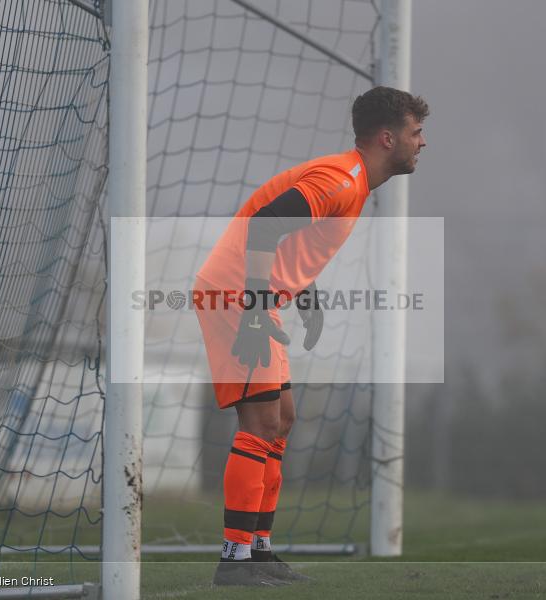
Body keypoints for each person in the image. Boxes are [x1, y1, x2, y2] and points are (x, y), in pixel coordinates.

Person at [193, 86, 428, 586]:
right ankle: (234, 561)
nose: (422, 142)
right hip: (237, 295)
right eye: (416, 132)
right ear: (388, 137)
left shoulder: (353, 182)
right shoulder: (341, 179)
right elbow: (265, 224)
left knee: (281, 420)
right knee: (258, 423)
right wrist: (257, 310)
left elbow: (291, 239)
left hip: (254, 296)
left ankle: (257, 551)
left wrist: (304, 293)